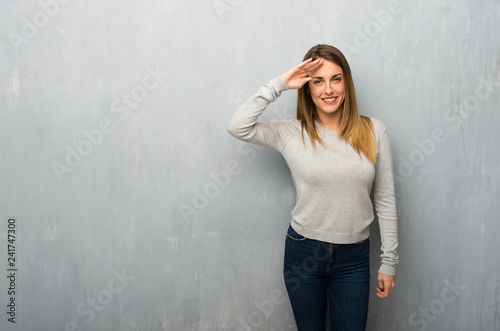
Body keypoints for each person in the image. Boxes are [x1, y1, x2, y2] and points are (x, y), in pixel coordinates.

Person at [227, 44, 398, 330]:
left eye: (336, 78)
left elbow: (385, 198)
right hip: (303, 253)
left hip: (354, 258)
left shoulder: (374, 131)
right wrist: (281, 83)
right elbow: (238, 126)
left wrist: (389, 261)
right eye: (318, 81)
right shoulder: (291, 132)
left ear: (347, 83)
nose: (328, 89)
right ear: (307, 87)